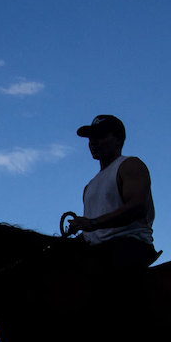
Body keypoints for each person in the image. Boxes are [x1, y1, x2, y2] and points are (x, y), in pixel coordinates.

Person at [66, 114, 158, 275]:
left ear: (118, 139)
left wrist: (92, 223)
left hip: (129, 245)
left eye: (100, 136)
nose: (93, 142)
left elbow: (137, 207)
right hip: (98, 249)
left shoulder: (130, 165)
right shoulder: (90, 186)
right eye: (91, 138)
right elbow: (94, 232)